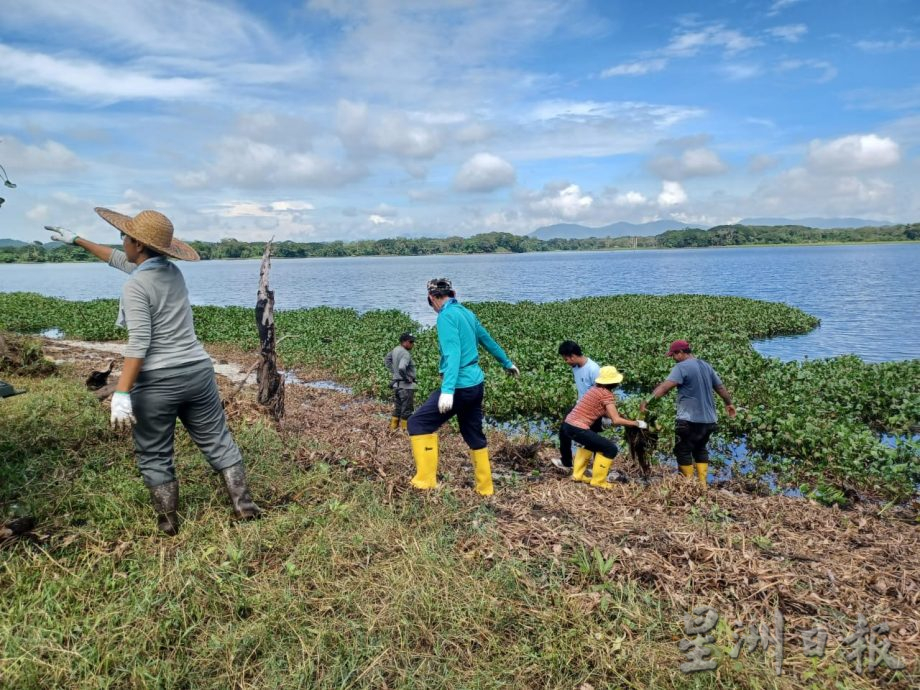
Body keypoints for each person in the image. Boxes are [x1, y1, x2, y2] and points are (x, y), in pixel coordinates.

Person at [46, 210, 261, 535]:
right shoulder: (172, 272)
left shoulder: (135, 286)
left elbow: (140, 343)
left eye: (125, 237)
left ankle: (168, 523)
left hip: (159, 381)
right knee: (217, 439)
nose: (122, 242)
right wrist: (77, 240)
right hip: (198, 373)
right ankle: (244, 506)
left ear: (138, 244)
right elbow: (119, 260)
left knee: (155, 452)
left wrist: (121, 393)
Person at [406, 278, 519, 496]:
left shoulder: (446, 317)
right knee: (473, 433)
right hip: (476, 384)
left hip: (459, 386)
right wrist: (507, 362)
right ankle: (485, 488)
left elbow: (453, 353)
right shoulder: (467, 313)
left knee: (418, 423)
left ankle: (425, 482)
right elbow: (487, 340)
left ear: (431, 298)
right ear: (453, 293)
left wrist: (447, 391)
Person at [640, 339, 736, 487]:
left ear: (681, 353)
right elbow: (721, 388)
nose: (673, 358)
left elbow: (665, 387)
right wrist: (729, 403)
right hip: (710, 420)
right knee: (700, 448)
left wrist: (647, 401)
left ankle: (689, 484)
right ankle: (703, 485)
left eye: (673, 355)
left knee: (682, 450)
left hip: (689, 420)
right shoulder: (706, 365)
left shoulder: (681, 367)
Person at [560, 366, 647, 489]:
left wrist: (618, 417)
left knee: (591, 444)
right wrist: (636, 423)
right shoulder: (607, 395)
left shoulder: (594, 390)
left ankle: (577, 475)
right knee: (611, 449)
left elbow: (605, 412)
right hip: (578, 427)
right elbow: (616, 420)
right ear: (614, 382)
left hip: (568, 425)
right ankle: (598, 481)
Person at [551, 340, 601, 472]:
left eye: (566, 359)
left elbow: (602, 393)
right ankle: (566, 461)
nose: (566, 362)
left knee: (593, 437)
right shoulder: (576, 367)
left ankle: (598, 468)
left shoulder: (593, 369)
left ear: (573, 356)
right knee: (564, 429)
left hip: (592, 408)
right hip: (580, 404)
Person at [385, 332, 417, 431]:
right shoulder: (406, 354)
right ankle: (405, 432)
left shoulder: (396, 349)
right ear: (404, 342)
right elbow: (402, 367)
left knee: (398, 409)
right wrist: (406, 378)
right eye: (411, 342)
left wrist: (394, 372)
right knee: (407, 410)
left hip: (396, 385)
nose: (412, 344)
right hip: (406, 387)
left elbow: (387, 360)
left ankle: (393, 429)